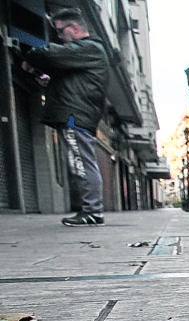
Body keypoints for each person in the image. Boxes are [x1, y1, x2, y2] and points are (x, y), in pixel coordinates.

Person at [22, 8, 109, 226]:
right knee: (82, 161)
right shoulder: (84, 54)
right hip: (78, 113)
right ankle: (92, 210)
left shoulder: (88, 48)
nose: (59, 37)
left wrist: (31, 57)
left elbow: (47, 54)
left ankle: (92, 212)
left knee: (80, 162)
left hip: (75, 115)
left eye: (61, 31)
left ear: (74, 27)